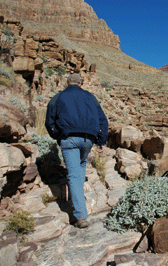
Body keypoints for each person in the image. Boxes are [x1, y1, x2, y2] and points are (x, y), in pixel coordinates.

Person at [45, 74, 108, 228]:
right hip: (88, 140)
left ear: (67, 83)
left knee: (73, 175)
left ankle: (81, 216)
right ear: (81, 84)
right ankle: (80, 200)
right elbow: (103, 120)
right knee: (80, 167)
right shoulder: (91, 97)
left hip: (69, 139)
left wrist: (57, 136)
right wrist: (101, 141)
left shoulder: (58, 97)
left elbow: (49, 122)